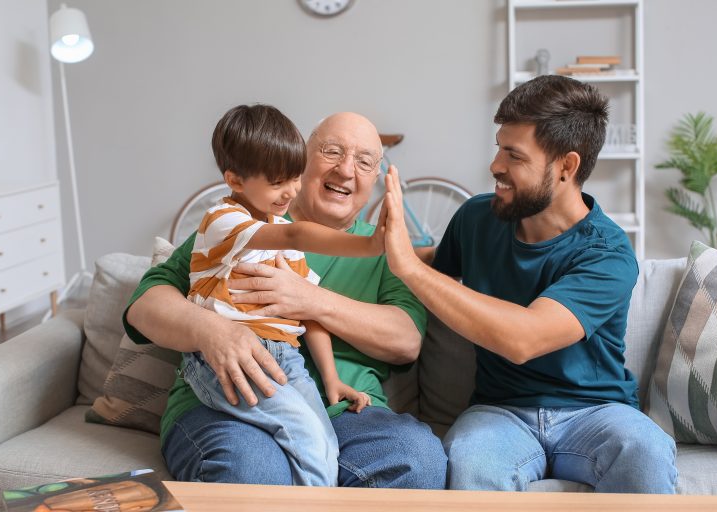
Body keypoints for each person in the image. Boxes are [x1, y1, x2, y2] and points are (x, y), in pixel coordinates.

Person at [379, 75, 678, 493]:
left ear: (566, 167)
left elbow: (523, 338)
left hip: (596, 413)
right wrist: (370, 249)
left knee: (645, 452)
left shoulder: (607, 253)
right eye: (498, 147)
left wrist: (409, 266)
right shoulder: (477, 218)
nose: (495, 166)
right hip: (499, 412)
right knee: (470, 461)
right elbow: (433, 270)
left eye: (514, 155)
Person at [124, 111, 447, 488]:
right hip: (229, 401)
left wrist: (311, 301)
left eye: (364, 162)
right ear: (302, 160)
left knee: (417, 459)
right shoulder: (244, 226)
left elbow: (405, 342)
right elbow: (145, 306)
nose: (346, 171)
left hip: (343, 412)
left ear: (375, 179)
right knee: (253, 469)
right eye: (332, 152)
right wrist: (209, 329)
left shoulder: (388, 255)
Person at [182, 104, 378, 486]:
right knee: (306, 442)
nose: (290, 191)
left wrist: (332, 378)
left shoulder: (277, 224)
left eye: (293, 177)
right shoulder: (224, 221)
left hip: (286, 358)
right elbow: (293, 234)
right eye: (277, 181)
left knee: (324, 445)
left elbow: (308, 312)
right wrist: (373, 244)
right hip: (235, 358)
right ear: (235, 180)